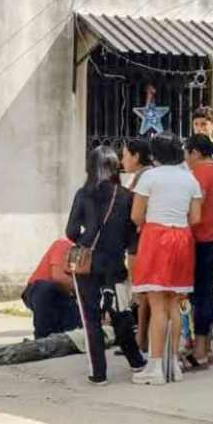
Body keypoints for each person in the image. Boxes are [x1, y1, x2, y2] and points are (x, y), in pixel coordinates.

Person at [65, 146, 147, 385]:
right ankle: (136, 362)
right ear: (114, 167)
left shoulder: (83, 194)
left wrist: (86, 237)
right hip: (115, 265)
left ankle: (98, 373)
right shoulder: (126, 196)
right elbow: (132, 237)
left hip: (87, 265)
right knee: (121, 315)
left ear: (90, 167)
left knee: (91, 319)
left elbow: (70, 231)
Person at [130, 134, 202, 385]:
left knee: (157, 304)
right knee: (175, 302)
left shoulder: (150, 177)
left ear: (154, 154)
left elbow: (136, 214)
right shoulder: (190, 179)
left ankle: (156, 367)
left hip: (156, 237)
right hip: (182, 238)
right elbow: (196, 218)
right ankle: (173, 364)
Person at [183, 134, 213, 371]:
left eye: (187, 153)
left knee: (200, 295)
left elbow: (194, 208)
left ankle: (200, 349)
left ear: (195, 153)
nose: (186, 159)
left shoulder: (200, 173)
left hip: (202, 240)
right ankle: (206, 347)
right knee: (208, 292)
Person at [121, 138, 155, 353]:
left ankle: (141, 337)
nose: (122, 160)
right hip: (139, 238)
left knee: (142, 290)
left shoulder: (145, 176)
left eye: (125, 155)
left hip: (140, 238)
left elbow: (136, 212)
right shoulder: (142, 175)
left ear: (136, 156)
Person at [0, 325, 117, 367]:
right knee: (28, 345)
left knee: (32, 350)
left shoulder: (118, 328)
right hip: (70, 336)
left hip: (73, 342)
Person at [22, 238, 80, 338]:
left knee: (73, 332)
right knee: (47, 288)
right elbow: (58, 277)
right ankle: (42, 336)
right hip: (38, 291)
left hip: (65, 296)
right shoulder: (64, 244)